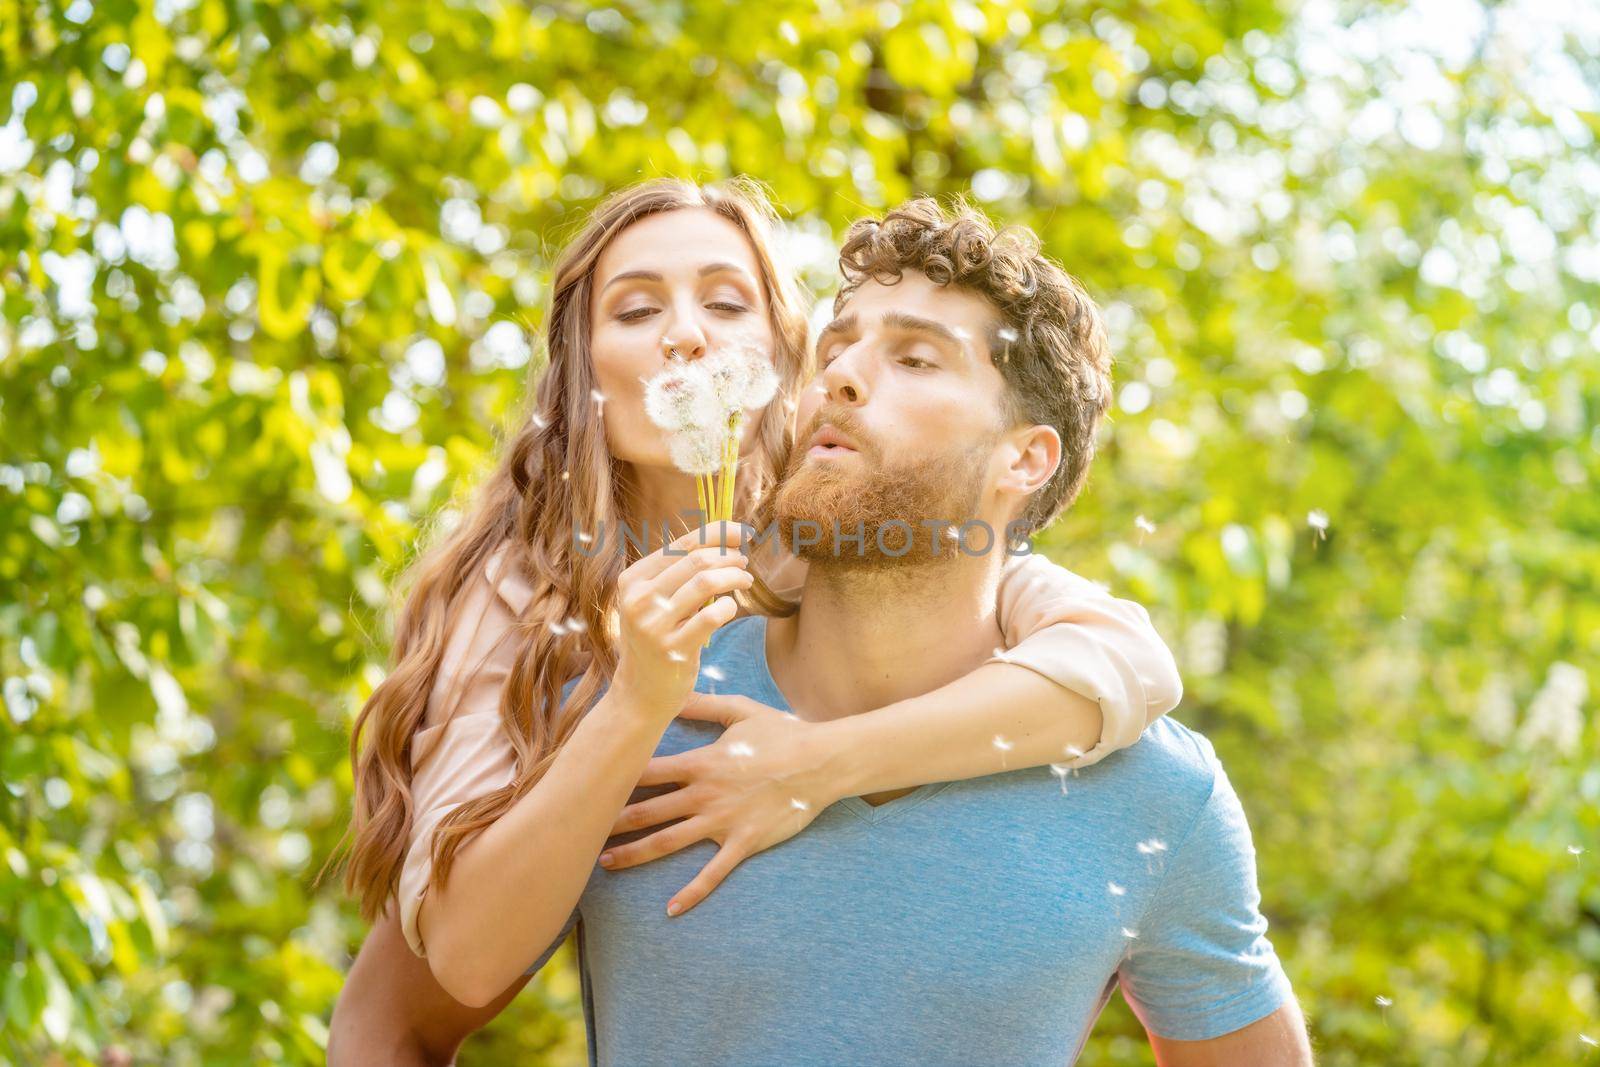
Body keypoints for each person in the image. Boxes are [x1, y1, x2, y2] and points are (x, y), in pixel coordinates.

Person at [327, 179, 1187, 1064]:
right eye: (633, 310)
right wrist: (634, 700)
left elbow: (1127, 661)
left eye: (727, 301)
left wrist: (816, 765)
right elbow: (424, 987)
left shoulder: (836, 529)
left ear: (788, 356)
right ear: (582, 370)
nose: (685, 333)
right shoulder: (522, 593)